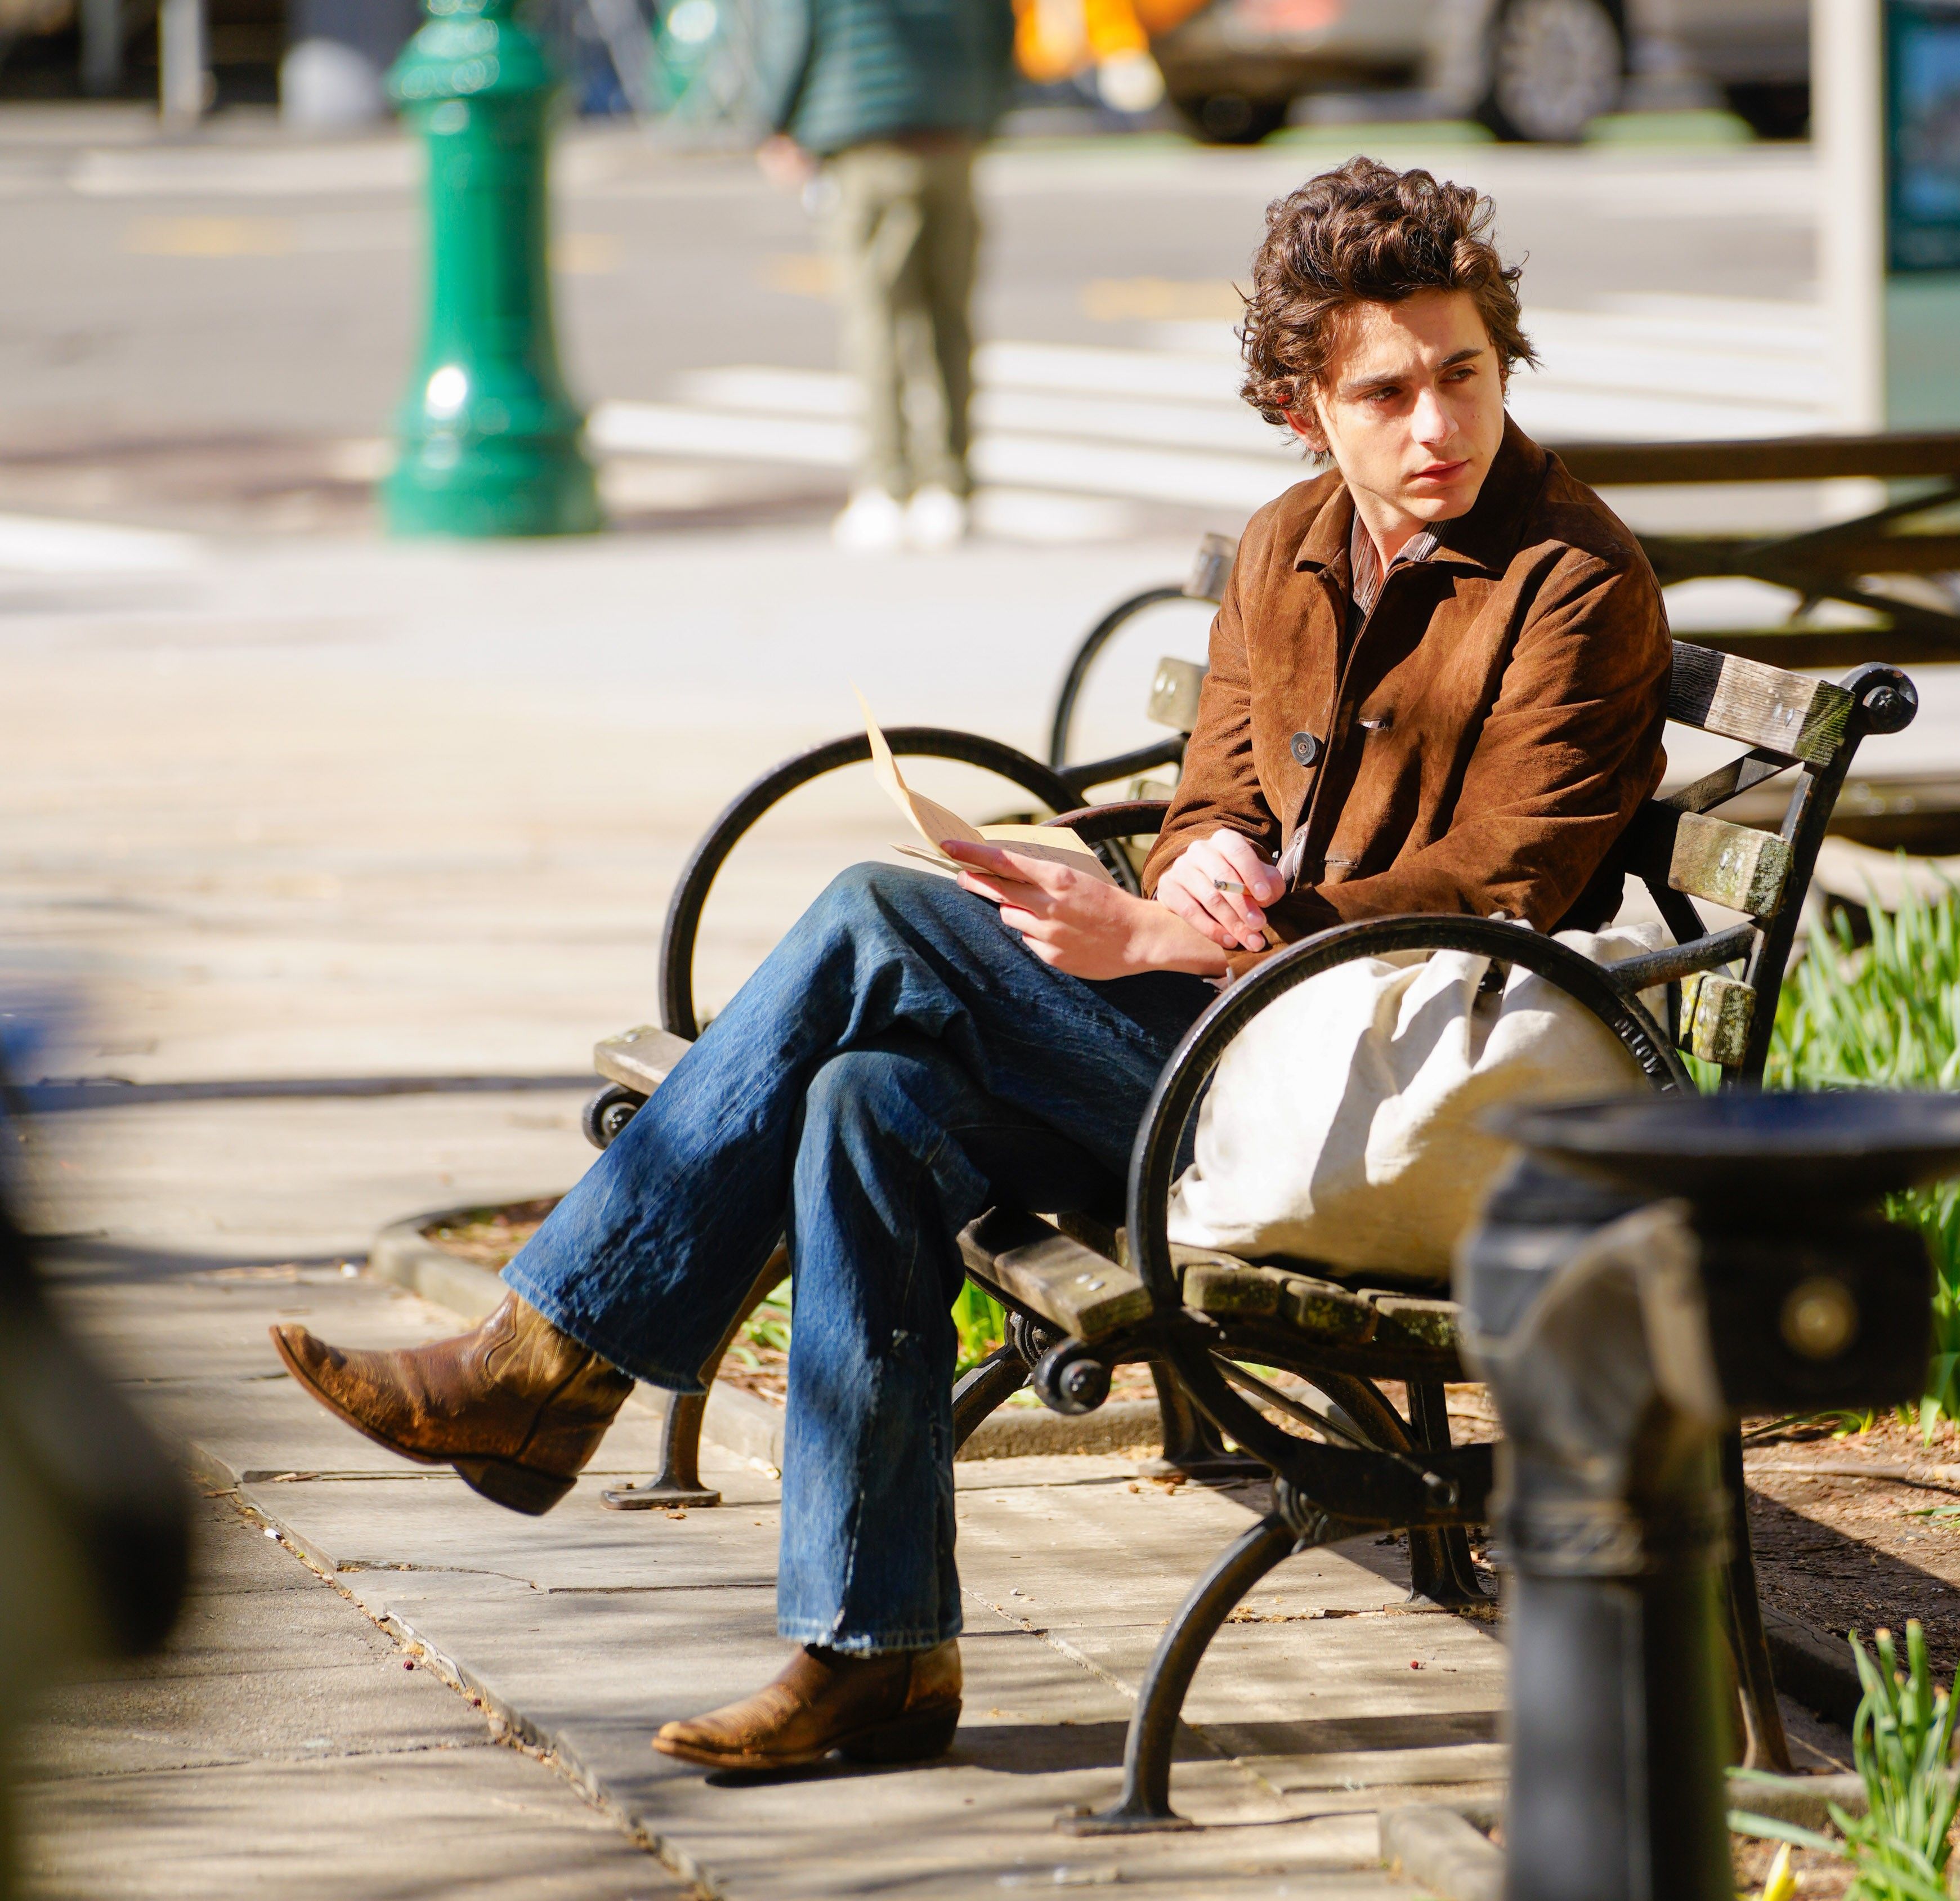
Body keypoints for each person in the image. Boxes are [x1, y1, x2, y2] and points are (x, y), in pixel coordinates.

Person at [270, 157, 1672, 1776]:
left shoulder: (1574, 579)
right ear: (1303, 408)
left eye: (1464, 375)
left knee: (877, 917)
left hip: (1378, 1101)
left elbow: (1501, 883)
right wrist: (1201, 856)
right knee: (868, 1101)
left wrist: (1176, 932)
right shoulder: (1290, 543)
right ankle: (873, 1656)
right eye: (1388, 392)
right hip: (1240, 1053)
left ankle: (548, 1361)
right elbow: (1214, 790)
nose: (1438, 424)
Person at [753, 0, 1017, 554]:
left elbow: (793, 27)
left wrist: (778, 122)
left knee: (875, 319)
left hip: (865, 135)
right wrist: (986, 114)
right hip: (951, 129)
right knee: (949, 318)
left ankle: (886, 483)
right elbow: (1000, 25)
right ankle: (949, 483)